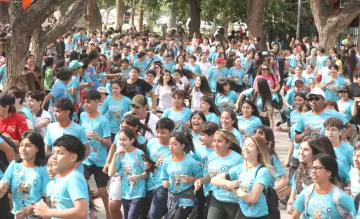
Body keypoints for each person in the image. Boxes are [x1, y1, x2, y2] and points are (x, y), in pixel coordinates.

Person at [211, 135, 272, 219]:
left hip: (258, 216)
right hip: (242, 213)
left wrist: (236, 191)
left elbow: (252, 198)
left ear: (258, 150)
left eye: (250, 146)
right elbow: (214, 179)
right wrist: (227, 182)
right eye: (244, 145)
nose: (246, 148)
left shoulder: (262, 171)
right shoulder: (240, 168)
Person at [33, 135, 89, 219]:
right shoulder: (57, 179)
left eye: (60, 153)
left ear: (73, 157)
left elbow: (82, 212)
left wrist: (49, 212)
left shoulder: (73, 178)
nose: (54, 157)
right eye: (54, 152)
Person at [194, 130, 242, 219]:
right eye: (214, 141)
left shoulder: (238, 158)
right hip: (216, 198)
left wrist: (231, 184)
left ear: (228, 143)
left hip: (234, 200)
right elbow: (212, 176)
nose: (215, 144)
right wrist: (200, 181)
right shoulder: (211, 156)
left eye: (219, 141)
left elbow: (244, 178)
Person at [0, 131, 49, 217]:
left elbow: (46, 198)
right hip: (16, 214)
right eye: (21, 145)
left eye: (28, 146)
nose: (23, 149)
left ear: (37, 148)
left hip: (35, 215)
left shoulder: (44, 169)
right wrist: (1, 189)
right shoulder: (14, 165)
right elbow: (2, 192)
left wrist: (28, 210)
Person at [291, 154, 356, 218]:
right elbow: (294, 217)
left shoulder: (339, 196)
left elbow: (357, 210)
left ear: (329, 172)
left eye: (318, 168)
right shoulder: (306, 193)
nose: (313, 171)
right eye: (312, 168)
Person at [80, 90, 111, 219]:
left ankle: (109, 215)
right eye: (85, 102)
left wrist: (99, 138)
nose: (86, 105)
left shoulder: (103, 120)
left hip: (100, 160)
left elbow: (109, 143)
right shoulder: (82, 116)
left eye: (89, 102)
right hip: (86, 159)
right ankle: (89, 214)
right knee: (81, 185)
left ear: (98, 102)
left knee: (103, 190)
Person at [161, 132, 202, 219]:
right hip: (172, 197)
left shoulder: (191, 161)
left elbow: (200, 178)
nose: (171, 147)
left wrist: (191, 179)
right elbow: (164, 177)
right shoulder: (167, 161)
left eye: (174, 144)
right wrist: (165, 182)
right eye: (170, 144)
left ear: (182, 146)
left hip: (186, 197)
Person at [108, 128, 147, 219]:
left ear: (132, 140)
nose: (121, 142)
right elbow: (110, 173)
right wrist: (114, 155)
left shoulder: (139, 153)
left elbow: (146, 173)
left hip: (138, 193)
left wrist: (137, 177)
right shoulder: (120, 154)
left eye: (124, 139)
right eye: (120, 139)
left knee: (131, 217)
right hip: (125, 193)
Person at [44, 98, 90, 168]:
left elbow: (87, 149)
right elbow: (48, 149)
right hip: (55, 168)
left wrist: (77, 163)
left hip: (73, 170)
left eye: (57, 111)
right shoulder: (50, 127)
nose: (54, 114)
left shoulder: (78, 129)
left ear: (67, 112)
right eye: (54, 111)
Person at [324, 117, 353, 190]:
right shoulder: (321, 147)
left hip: (343, 186)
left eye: (333, 130)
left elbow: (356, 169)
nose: (330, 133)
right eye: (327, 129)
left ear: (340, 132)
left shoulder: (349, 149)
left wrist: (349, 188)